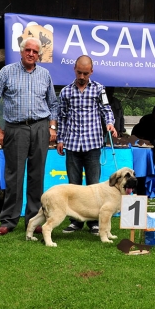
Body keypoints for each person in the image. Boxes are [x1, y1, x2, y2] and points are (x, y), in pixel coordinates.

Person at [0, 37, 59, 236]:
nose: (31, 54)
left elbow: (53, 104)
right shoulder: (6, 72)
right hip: (16, 129)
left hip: (41, 127)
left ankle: (34, 220)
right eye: (28, 50)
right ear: (21, 51)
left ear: (39, 55)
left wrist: (52, 127)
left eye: (35, 51)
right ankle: (8, 220)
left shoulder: (45, 74)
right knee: (14, 175)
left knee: (37, 176)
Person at [57, 55, 117, 235]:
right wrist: (60, 139)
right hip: (73, 144)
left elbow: (107, 110)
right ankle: (75, 222)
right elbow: (61, 117)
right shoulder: (66, 92)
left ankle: (94, 224)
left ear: (91, 71)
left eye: (85, 73)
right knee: (73, 187)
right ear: (74, 69)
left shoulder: (99, 89)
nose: (82, 76)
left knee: (94, 186)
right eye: (79, 72)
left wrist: (110, 123)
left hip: (93, 144)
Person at [132, 105, 155, 174]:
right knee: (142, 157)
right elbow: (140, 135)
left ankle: (154, 174)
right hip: (139, 136)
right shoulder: (146, 119)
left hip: (153, 139)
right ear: (153, 114)